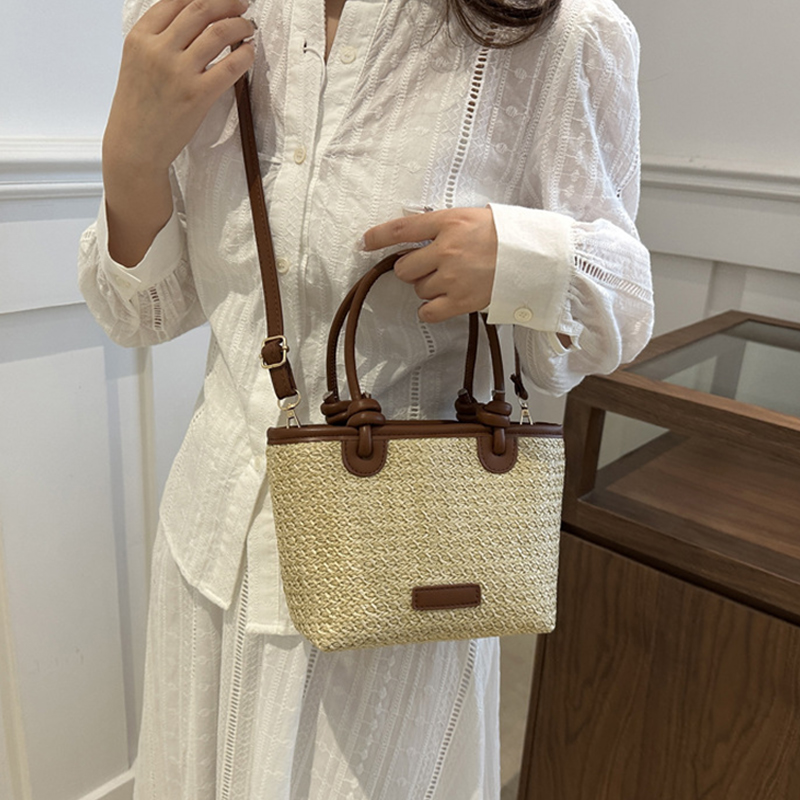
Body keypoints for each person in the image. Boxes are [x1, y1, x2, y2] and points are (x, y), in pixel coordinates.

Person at [78, 0, 653, 796]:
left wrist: (523, 259)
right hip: (210, 545)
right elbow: (144, 314)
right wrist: (130, 160)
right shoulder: (191, 16)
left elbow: (622, 313)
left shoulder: (562, 35)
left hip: (409, 569)